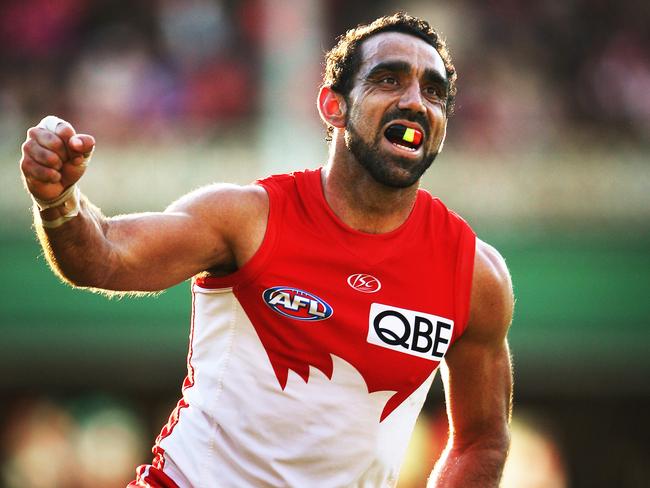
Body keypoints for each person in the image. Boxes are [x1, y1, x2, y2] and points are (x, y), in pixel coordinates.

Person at [19, 12, 514, 488]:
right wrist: (58, 199)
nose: (414, 101)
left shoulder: (474, 274)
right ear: (333, 106)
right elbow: (101, 256)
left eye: (433, 91)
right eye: (388, 79)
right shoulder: (246, 217)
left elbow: (482, 440)